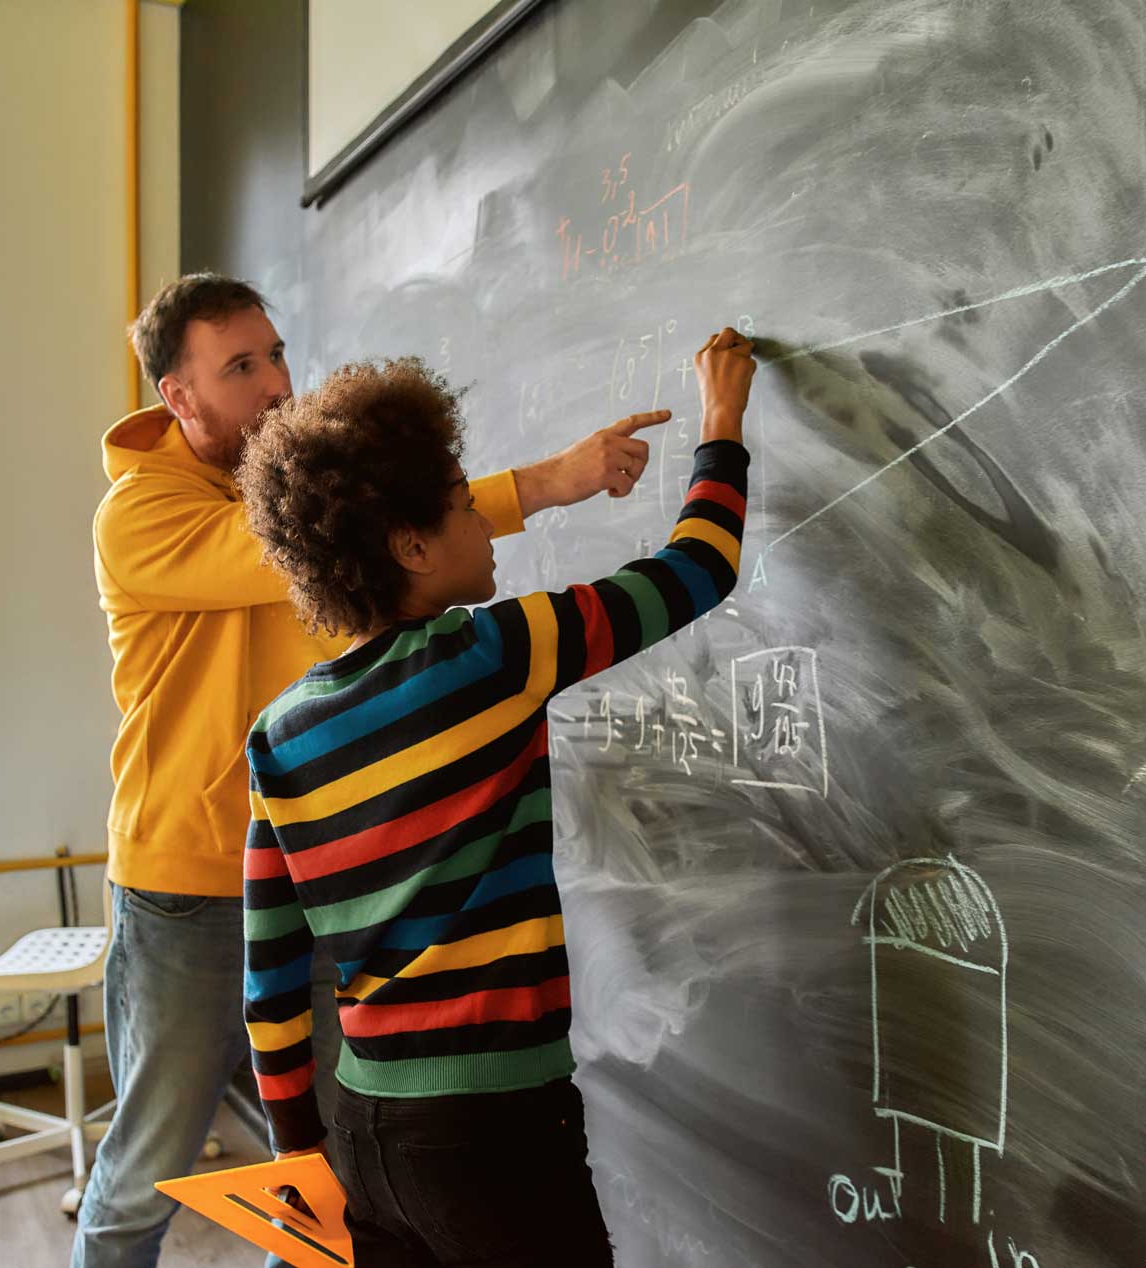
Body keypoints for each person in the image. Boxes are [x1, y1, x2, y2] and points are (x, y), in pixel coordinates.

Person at [78, 273, 663, 1268]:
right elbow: (280, 544)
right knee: (147, 1164)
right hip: (186, 884)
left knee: (316, 1173)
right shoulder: (139, 514)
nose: (275, 382)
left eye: (275, 354)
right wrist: (542, 483)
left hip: (312, 878)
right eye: (241, 365)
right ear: (178, 395)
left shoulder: (292, 481)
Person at [236, 327, 756, 1266]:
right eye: (460, 508)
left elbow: (270, 987)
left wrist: (300, 1154)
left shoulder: (279, 733)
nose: (483, 523)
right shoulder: (489, 653)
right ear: (411, 546)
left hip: (361, 1135)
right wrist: (722, 420)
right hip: (491, 1135)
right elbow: (697, 570)